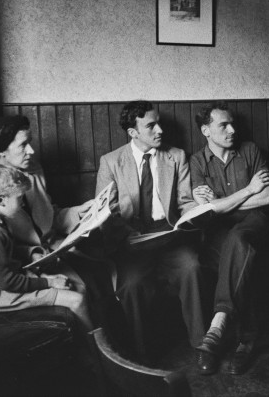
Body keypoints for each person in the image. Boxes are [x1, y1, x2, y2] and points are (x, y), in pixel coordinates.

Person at [95, 100, 205, 359]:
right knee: (131, 285)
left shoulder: (176, 156)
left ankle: (201, 344)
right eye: (150, 126)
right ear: (133, 132)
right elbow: (104, 213)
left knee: (193, 268)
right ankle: (141, 355)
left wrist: (198, 210)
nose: (160, 131)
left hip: (169, 236)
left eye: (160, 124)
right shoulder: (111, 162)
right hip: (132, 241)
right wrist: (126, 233)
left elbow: (185, 201)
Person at [0, 115, 113, 324]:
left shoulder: (33, 168)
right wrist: (34, 258)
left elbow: (49, 215)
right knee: (81, 289)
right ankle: (95, 348)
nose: (31, 151)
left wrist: (81, 211)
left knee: (106, 273)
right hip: (27, 262)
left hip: (53, 248)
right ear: (1, 151)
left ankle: (110, 344)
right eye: (23, 145)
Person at [190, 102, 269, 375]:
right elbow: (209, 209)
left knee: (238, 240)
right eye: (223, 125)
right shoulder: (197, 161)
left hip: (255, 224)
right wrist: (249, 190)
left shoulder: (250, 150)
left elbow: (268, 198)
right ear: (206, 130)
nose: (232, 130)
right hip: (218, 231)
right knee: (236, 251)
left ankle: (217, 327)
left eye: (232, 123)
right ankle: (246, 340)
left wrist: (223, 203)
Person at [0, 165, 92, 330]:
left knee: (78, 287)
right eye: (19, 198)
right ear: (1, 200)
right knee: (77, 300)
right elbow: (8, 282)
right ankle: (96, 351)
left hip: (8, 279)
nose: (23, 202)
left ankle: (89, 343)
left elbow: (6, 250)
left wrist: (31, 253)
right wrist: (49, 282)